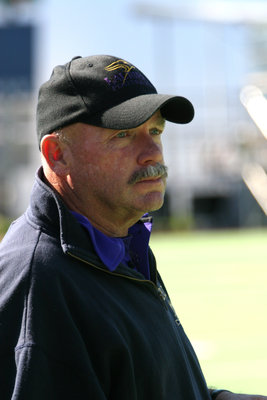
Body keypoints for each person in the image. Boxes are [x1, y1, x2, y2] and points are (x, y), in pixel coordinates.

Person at [0, 55, 265, 400]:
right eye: (123, 134)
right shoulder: (40, 283)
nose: (152, 152)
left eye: (155, 130)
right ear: (56, 154)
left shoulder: (118, 241)